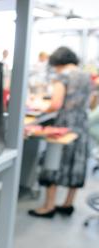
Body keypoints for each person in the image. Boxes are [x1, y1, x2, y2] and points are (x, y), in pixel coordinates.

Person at [29, 47, 92, 218]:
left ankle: (49, 206)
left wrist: (41, 107)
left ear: (57, 62)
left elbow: (56, 104)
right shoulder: (86, 75)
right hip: (82, 123)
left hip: (65, 123)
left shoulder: (62, 75)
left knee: (54, 161)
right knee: (76, 163)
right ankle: (67, 204)